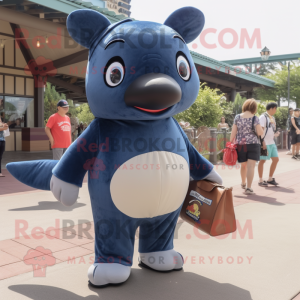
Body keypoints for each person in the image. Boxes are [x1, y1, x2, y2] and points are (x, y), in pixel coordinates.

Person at [230, 99, 264, 194]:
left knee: (243, 166)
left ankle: (243, 183)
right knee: (251, 167)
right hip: (253, 144)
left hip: (241, 144)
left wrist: (230, 143)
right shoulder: (255, 118)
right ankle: (249, 188)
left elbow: (233, 133)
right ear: (254, 108)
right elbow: (260, 132)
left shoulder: (237, 117)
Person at [258, 102, 281, 186]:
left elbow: (271, 130)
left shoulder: (272, 118)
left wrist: (275, 134)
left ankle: (270, 178)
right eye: (275, 108)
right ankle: (260, 180)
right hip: (265, 143)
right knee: (262, 160)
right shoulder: (263, 117)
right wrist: (262, 141)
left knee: (276, 159)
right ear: (272, 108)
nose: (275, 110)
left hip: (271, 142)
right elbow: (261, 131)